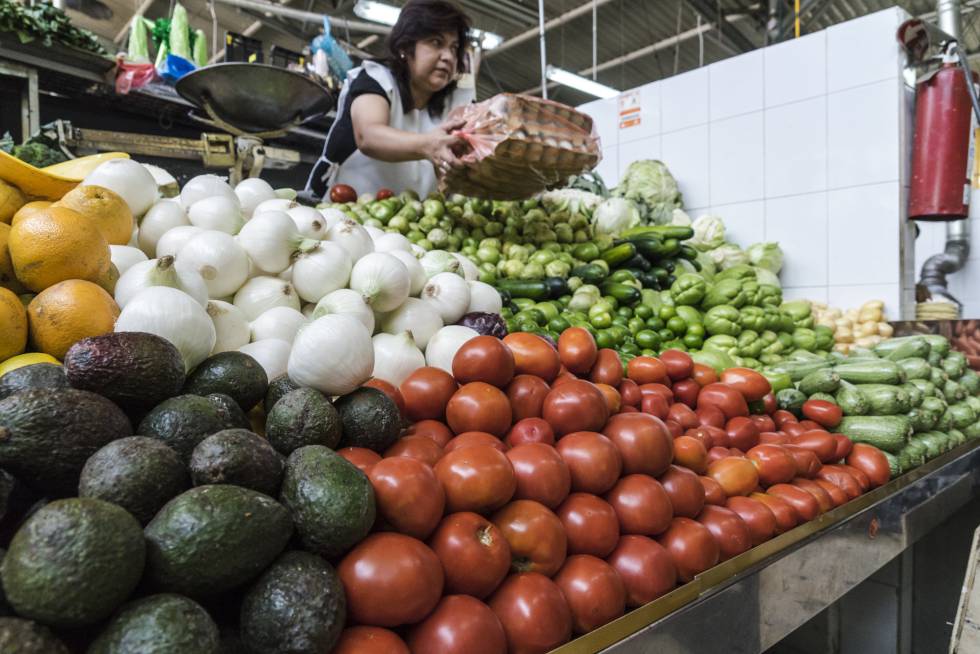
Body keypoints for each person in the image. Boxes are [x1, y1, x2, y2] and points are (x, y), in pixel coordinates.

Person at [305, 0, 475, 199]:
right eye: (436, 42)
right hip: (342, 214)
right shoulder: (375, 79)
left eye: (454, 48)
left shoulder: (455, 104)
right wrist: (428, 145)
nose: (448, 56)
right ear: (406, 46)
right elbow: (368, 136)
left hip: (408, 222)